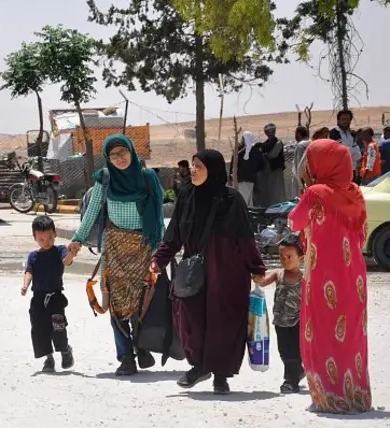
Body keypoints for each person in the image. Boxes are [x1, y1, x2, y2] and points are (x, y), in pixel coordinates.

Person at [150, 149, 266, 395]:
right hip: (194, 272)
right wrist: (158, 260)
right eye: (192, 165)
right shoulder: (186, 196)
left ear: (212, 170)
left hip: (227, 273)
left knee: (224, 323)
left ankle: (221, 375)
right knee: (190, 319)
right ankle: (199, 366)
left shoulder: (231, 200)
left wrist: (256, 267)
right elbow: (174, 234)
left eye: (199, 166)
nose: (193, 170)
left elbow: (245, 238)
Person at [68, 134, 165, 376]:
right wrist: (78, 239)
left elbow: (158, 216)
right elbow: (92, 211)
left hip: (143, 246)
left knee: (141, 300)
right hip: (114, 247)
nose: (119, 158)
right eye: (113, 155)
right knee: (116, 303)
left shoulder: (147, 177)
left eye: (123, 152)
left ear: (132, 151)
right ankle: (126, 357)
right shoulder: (105, 179)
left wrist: (159, 252)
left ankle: (141, 346)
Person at [289, 139, 371, 413]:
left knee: (322, 332)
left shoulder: (316, 192)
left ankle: (329, 397)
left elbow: (294, 222)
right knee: (352, 335)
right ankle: (355, 395)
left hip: (323, 273)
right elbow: (362, 233)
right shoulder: (356, 193)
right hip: (354, 275)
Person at [21, 215, 75, 372]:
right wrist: (25, 285)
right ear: (35, 238)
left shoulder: (60, 250)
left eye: (50, 238)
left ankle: (65, 349)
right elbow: (29, 271)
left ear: (55, 234)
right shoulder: (33, 256)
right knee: (39, 328)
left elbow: (67, 261)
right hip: (38, 298)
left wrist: (71, 254)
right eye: (42, 239)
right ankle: (48, 358)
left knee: (58, 325)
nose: (47, 242)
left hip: (55, 297)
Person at [254, 237, 305, 394]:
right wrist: (255, 274)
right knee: (283, 351)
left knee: (294, 352)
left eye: (289, 257)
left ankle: (290, 381)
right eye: (282, 256)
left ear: (301, 258)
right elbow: (262, 281)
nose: (285, 260)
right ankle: (297, 372)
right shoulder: (278, 273)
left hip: (298, 321)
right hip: (280, 321)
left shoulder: (305, 278)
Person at [231, 130, 263, 206]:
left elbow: (234, 164)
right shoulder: (256, 151)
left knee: (243, 200)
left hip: (241, 179)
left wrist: (231, 177)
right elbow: (261, 166)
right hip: (251, 179)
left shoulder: (240, 151)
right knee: (249, 200)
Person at [329, 110, 361, 182]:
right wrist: (352, 151)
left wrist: (349, 151)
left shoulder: (351, 134)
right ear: (338, 121)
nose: (346, 121)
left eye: (348, 119)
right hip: (339, 171)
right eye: (343, 119)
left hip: (352, 170)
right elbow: (341, 151)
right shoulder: (334, 133)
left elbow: (358, 155)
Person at [260, 123, 287, 206]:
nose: (269, 133)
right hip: (267, 171)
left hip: (276, 170)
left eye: (271, 131)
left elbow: (273, 155)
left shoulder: (278, 143)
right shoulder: (265, 144)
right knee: (270, 191)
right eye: (268, 131)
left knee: (278, 191)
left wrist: (265, 155)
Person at [292, 126, 310, 194]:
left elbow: (299, 164)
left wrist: (300, 184)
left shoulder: (300, 145)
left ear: (298, 134)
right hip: (310, 177)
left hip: (300, 179)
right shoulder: (311, 142)